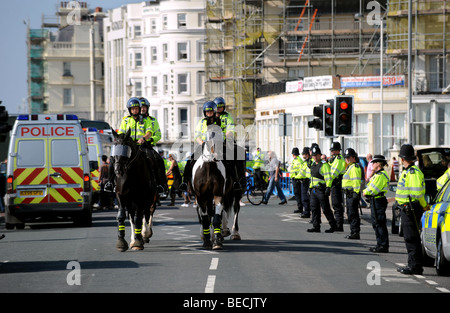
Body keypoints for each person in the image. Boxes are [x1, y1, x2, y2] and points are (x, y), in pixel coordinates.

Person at [105, 97, 167, 195]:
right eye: (133, 109)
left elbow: (150, 132)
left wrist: (144, 138)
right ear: (130, 110)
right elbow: (121, 132)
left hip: (143, 146)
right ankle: (110, 183)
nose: (136, 110)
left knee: (157, 159)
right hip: (127, 147)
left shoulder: (147, 120)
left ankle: (160, 184)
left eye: (137, 108)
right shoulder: (126, 120)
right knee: (114, 160)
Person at [395, 144, 428, 275]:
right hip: (407, 208)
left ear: (403, 159)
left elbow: (417, 193)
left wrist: (424, 204)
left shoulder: (413, 172)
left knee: (411, 238)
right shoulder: (408, 171)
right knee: (410, 237)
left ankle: (415, 266)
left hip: (411, 208)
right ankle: (413, 264)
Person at [179, 101, 222, 192]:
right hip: (203, 145)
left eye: (210, 112)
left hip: (216, 145)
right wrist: (202, 143)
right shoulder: (201, 122)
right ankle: (185, 182)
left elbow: (220, 134)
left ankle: (233, 181)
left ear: (214, 112)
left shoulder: (218, 121)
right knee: (190, 161)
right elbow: (197, 136)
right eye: (207, 112)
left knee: (228, 161)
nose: (209, 114)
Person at [214, 96, 246, 191]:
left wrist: (223, 138)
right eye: (218, 107)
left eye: (221, 107)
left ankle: (240, 179)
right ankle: (188, 183)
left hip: (226, 142)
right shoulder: (210, 116)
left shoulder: (228, 116)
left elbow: (230, 130)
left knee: (239, 153)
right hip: (212, 143)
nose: (219, 109)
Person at [139, 97, 168, 195]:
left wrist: (150, 139)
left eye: (144, 107)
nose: (143, 109)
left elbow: (158, 135)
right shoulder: (131, 120)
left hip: (147, 146)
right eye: (141, 107)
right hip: (134, 146)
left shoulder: (152, 120)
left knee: (159, 160)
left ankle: (161, 185)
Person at [307, 146, 338, 233]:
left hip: (321, 190)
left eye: (316, 155)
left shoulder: (324, 165)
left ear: (320, 155)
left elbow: (328, 178)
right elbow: (311, 178)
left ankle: (333, 225)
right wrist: (309, 188)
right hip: (313, 190)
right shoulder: (313, 165)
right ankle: (316, 226)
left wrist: (328, 187)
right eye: (313, 155)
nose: (315, 157)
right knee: (314, 208)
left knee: (325, 209)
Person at [363, 155, 390, 253]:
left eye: (374, 162)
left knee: (379, 223)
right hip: (376, 200)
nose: (372, 164)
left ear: (379, 164)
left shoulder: (380, 175)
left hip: (378, 200)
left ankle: (383, 245)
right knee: (376, 223)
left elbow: (372, 189)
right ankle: (380, 244)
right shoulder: (377, 175)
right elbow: (370, 185)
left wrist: (365, 192)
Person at [342, 148, 362, 239]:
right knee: (350, 213)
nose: (347, 159)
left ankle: (355, 233)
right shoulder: (350, 167)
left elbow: (356, 182)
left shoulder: (354, 167)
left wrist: (356, 193)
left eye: (349, 157)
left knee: (353, 214)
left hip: (352, 193)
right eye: (346, 158)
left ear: (354, 157)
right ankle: (353, 231)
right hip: (349, 193)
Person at [328, 141, 346, 231]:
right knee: (335, 204)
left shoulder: (338, 159)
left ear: (338, 151)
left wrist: (327, 183)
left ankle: (339, 225)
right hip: (334, 184)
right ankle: (338, 223)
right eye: (331, 151)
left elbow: (332, 173)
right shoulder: (334, 159)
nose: (332, 152)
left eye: (333, 151)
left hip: (336, 184)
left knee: (336, 204)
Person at [298, 147, 312, 218]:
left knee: (305, 198)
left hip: (307, 181)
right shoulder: (306, 162)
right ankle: (306, 211)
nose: (303, 156)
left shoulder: (309, 162)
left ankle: (307, 212)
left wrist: (297, 177)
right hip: (304, 181)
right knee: (304, 197)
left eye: (305, 154)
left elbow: (303, 173)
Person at [289, 148, 303, 214]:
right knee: (297, 193)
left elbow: (300, 170)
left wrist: (297, 177)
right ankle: (300, 207)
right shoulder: (295, 160)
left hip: (297, 179)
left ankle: (300, 207)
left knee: (298, 193)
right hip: (295, 178)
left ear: (293, 154)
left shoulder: (298, 160)